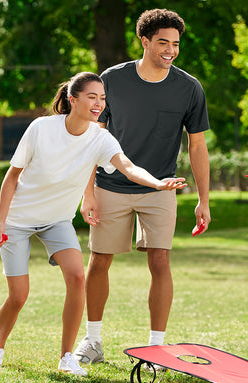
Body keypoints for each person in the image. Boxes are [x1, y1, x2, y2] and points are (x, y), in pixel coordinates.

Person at [0, 71, 186, 375]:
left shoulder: (100, 138)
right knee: (19, 294)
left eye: (102, 98)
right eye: (92, 97)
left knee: (78, 277)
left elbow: (127, 167)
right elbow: (12, 177)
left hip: (56, 221)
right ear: (72, 99)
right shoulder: (41, 128)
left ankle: (67, 356)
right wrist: (1, 223)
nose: (99, 104)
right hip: (19, 220)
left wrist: (157, 183)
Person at [74, 9, 210, 365]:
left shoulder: (189, 88)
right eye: (163, 42)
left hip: (161, 188)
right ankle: (92, 342)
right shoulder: (112, 80)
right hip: (110, 185)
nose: (170, 50)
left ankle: (156, 348)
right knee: (100, 260)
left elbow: (197, 146)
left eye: (176, 44)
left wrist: (203, 200)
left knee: (161, 260)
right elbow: (94, 137)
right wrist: (87, 192)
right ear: (145, 41)